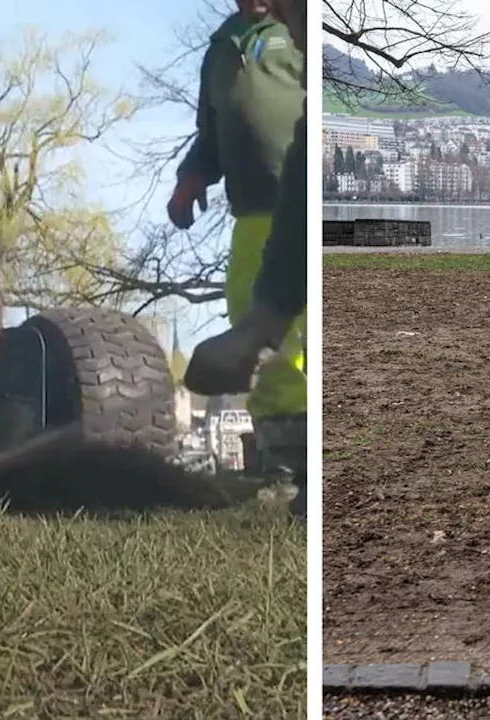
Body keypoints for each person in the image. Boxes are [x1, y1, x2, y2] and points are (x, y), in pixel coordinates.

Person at [170, 0, 307, 511]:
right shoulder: (220, 48)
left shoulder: (297, 28)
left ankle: (310, 456)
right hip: (249, 210)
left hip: (295, 199)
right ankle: (280, 461)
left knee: (297, 331)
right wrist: (192, 174)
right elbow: (212, 129)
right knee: (246, 324)